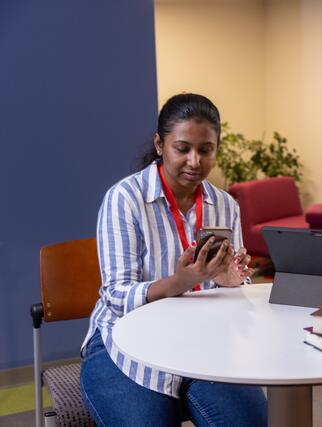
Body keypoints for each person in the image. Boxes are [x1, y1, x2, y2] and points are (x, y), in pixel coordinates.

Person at [80, 93, 267, 426]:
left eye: (205, 150)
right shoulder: (125, 199)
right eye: (183, 149)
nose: (194, 161)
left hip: (204, 339)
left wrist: (232, 281)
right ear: (159, 144)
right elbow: (116, 295)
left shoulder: (224, 205)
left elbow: (234, 291)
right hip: (126, 342)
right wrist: (180, 283)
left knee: (250, 421)